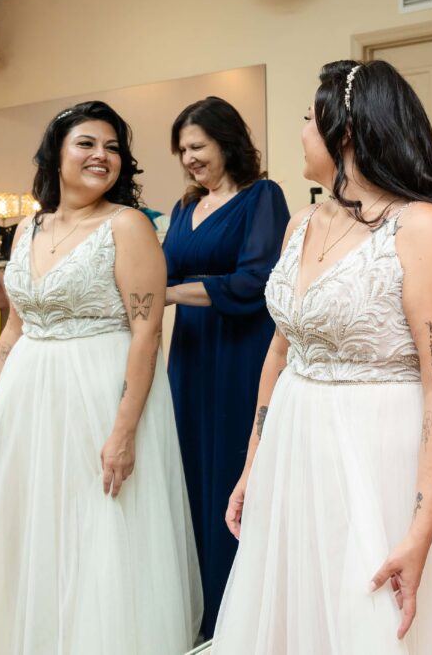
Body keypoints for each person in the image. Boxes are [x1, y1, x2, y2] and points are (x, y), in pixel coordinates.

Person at [211, 61, 432, 654]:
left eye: (305, 119)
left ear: (343, 132)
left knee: (368, 617)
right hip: (296, 449)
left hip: (378, 455)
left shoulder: (422, 228)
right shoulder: (302, 222)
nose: (298, 132)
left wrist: (422, 532)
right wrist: (253, 465)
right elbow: (280, 349)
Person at [0, 101, 202, 654]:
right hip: (28, 397)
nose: (103, 156)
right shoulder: (29, 226)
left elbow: (146, 333)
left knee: (95, 532)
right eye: (87, 143)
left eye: (113, 147)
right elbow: (11, 331)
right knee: (26, 526)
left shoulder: (129, 226)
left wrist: (123, 431)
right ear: (56, 155)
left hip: (96, 396)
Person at [163, 96, 290, 637]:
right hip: (189, 353)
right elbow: (161, 268)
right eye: (183, 150)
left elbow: (256, 281)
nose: (190, 159)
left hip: (241, 350)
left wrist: (166, 293)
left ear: (227, 142)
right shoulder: (185, 205)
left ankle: (237, 617)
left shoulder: (263, 197)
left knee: (235, 471)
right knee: (190, 467)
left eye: (198, 147)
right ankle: (197, 606)